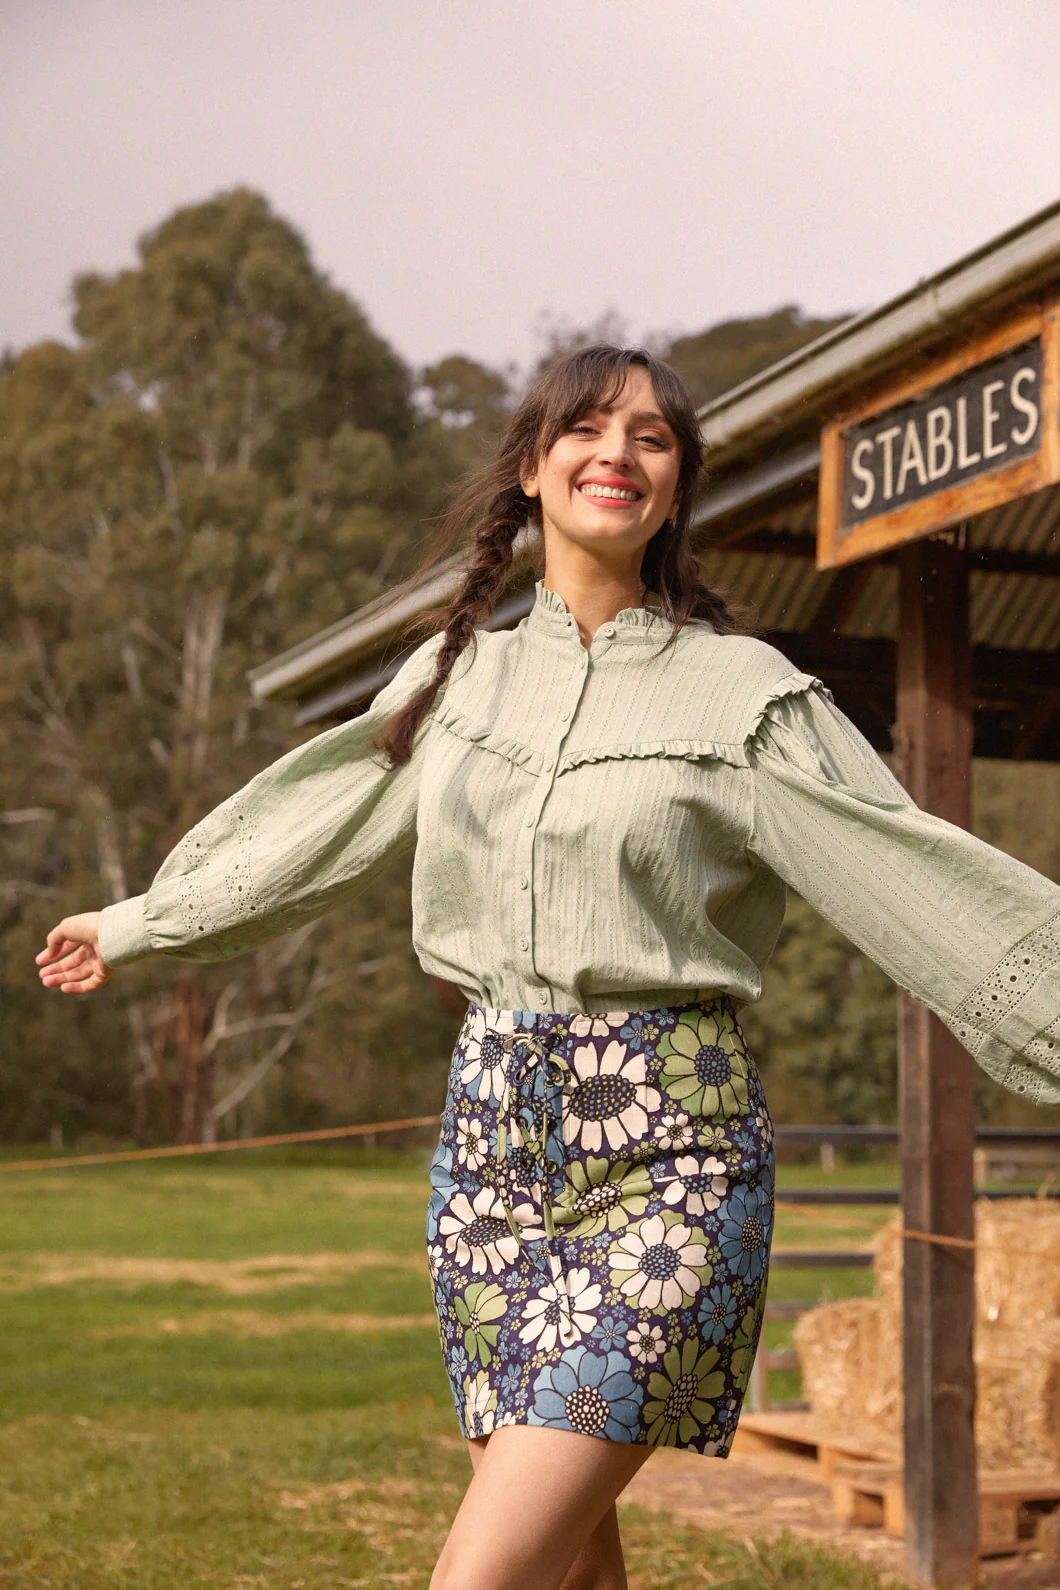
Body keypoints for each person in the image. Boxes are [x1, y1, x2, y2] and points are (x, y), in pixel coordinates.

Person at [37, 345, 1060, 1590]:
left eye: (652, 438)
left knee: (481, 1578)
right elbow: (316, 828)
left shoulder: (741, 695)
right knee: (571, 1567)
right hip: (488, 1157)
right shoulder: (456, 680)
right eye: (586, 428)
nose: (617, 454)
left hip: (669, 1157)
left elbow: (908, 871)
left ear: (676, 490)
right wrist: (142, 920)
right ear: (532, 468)